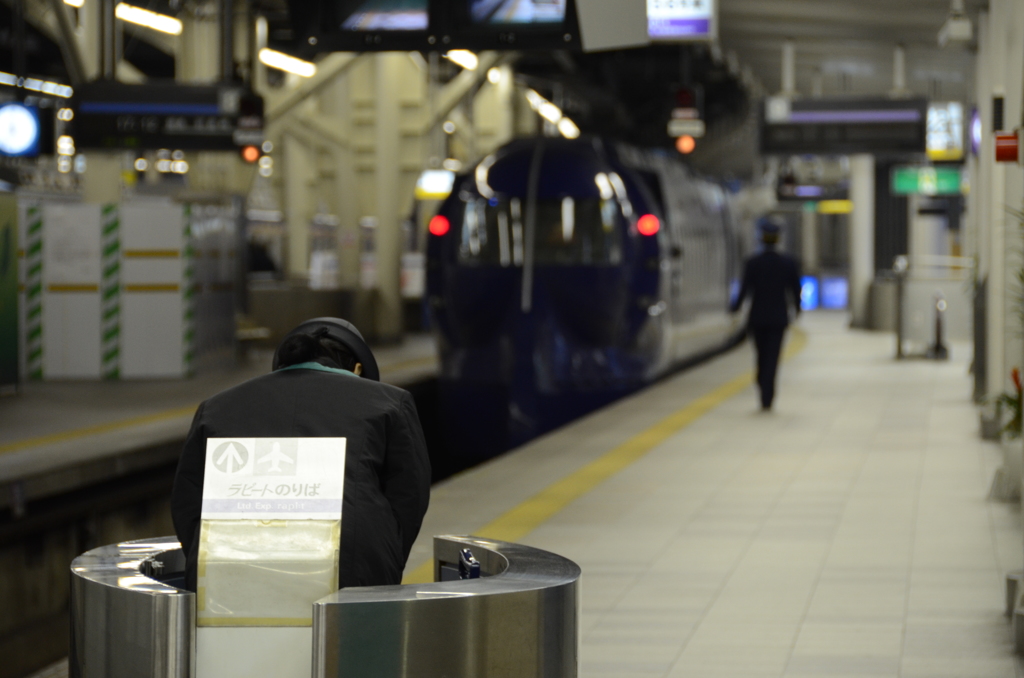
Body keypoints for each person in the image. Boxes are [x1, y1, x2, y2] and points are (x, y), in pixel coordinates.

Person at [171, 317, 431, 591]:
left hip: (226, 564)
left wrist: (205, 557)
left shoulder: (216, 407)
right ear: (357, 368)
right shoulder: (390, 403)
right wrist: (382, 559)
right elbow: (408, 498)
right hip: (354, 564)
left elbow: (188, 502)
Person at [730, 218, 802, 411]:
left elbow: (744, 290)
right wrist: (798, 309)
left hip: (757, 318)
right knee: (773, 356)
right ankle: (768, 395)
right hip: (779, 318)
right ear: (777, 239)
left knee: (761, 355)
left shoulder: (752, 263)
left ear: (762, 239)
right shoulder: (788, 263)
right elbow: (795, 290)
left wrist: (734, 308)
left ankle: (762, 383)